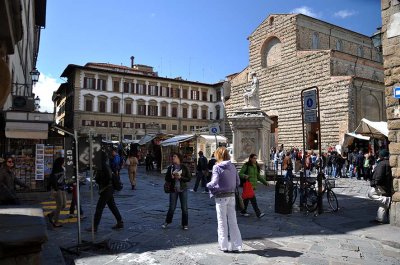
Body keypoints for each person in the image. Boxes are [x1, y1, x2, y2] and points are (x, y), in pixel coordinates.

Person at [206, 147, 242, 253]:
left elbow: (214, 182)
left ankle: (224, 246)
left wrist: (207, 185)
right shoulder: (233, 166)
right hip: (231, 196)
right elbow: (238, 182)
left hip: (221, 197)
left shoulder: (216, 167)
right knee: (233, 221)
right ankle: (236, 246)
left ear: (218, 155)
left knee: (222, 222)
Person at [87, 151, 123, 232]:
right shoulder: (105, 165)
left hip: (106, 189)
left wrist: (97, 179)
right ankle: (120, 222)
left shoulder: (102, 166)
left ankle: (95, 227)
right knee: (112, 206)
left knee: (99, 208)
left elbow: (103, 178)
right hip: (109, 189)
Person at [162, 152, 191, 230]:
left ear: (178, 158)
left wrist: (180, 177)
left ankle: (185, 224)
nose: (173, 158)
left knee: (184, 208)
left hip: (183, 189)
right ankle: (167, 222)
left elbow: (189, 178)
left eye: (174, 156)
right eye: (172, 157)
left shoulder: (184, 167)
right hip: (173, 189)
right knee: (172, 207)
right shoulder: (170, 167)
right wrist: (171, 177)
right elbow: (166, 179)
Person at [239, 154, 268, 218]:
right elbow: (240, 173)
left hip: (253, 185)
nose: (255, 159)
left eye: (256, 158)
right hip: (248, 185)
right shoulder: (246, 165)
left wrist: (265, 182)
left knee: (246, 199)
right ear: (250, 158)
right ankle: (258, 213)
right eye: (254, 158)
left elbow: (258, 176)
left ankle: (243, 211)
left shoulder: (256, 165)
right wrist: (245, 176)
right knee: (253, 200)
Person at [368, 149, 392, 224]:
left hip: (381, 185)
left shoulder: (382, 163)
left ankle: (384, 199)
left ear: (381, 156)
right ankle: (379, 219)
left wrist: (375, 183)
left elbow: (379, 175)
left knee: (371, 194)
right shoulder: (388, 162)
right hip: (387, 185)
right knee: (383, 204)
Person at [47, 157, 67, 228]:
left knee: (64, 205)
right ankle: (56, 222)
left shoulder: (63, 169)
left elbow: (64, 179)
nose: (64, 163)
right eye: (63, 161)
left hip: (62, 188)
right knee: (59, 205)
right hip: (57, 189)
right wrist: (55, 189)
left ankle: (51, 215)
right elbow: (53, 180)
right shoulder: (55, 170)